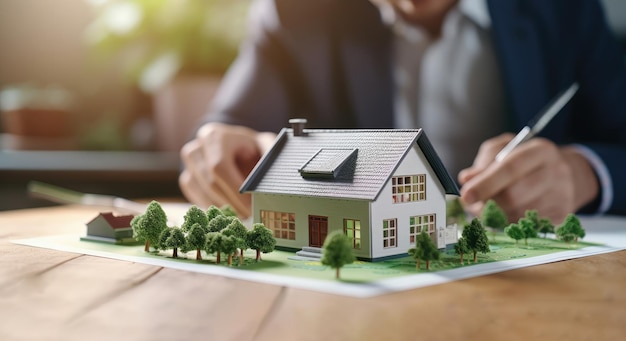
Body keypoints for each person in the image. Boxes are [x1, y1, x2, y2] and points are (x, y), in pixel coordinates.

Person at [179, 0, 626, 223]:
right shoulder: (298, 11)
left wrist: (581, 172)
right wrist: (223, 147)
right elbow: (226, 128)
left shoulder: (565, 10)